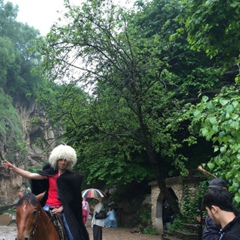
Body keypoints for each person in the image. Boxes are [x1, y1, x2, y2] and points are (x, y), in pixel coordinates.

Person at [3, 144, 89, 240]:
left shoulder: (72, 178)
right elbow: (30, 175)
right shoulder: (50, 174)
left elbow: (74, 197)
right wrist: (14, 168)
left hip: (64, 210)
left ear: (69, 162)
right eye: (61, 159)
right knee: (30, 223)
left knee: (72, 235)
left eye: (66, 160)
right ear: (56, 160)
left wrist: (62, 208)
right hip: (47, 206)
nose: (63, 162)